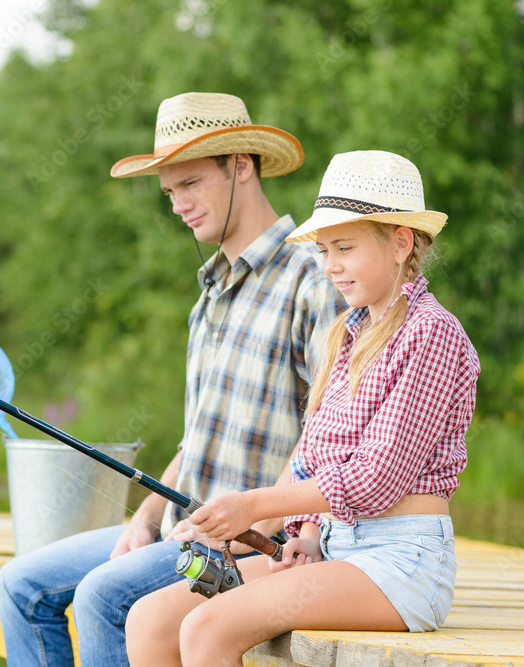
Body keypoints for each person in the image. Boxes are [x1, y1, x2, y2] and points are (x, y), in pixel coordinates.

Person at [0, 92, 342, 666]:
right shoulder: (208, 296)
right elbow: (197, 436)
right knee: (20, 585)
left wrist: (254, 520)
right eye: (169, 191)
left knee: (104, 597)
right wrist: (147, 513)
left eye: (191, 184)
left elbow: (326, 434)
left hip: (246, 547)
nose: (178, 204)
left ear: (241, 166)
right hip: (178, 531)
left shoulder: (312, 277)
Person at [125, 150, 481, 667]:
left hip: (402, 563)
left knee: (207, 627)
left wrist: (254, 506)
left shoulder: (432, 334)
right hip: (337, 548)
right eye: (323, 249)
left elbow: (375, 478)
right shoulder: (347, 333)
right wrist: (308, 532)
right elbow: (317, 453)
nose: (330, 265)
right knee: (151, 621)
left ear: (401, 242)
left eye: (344, 247)